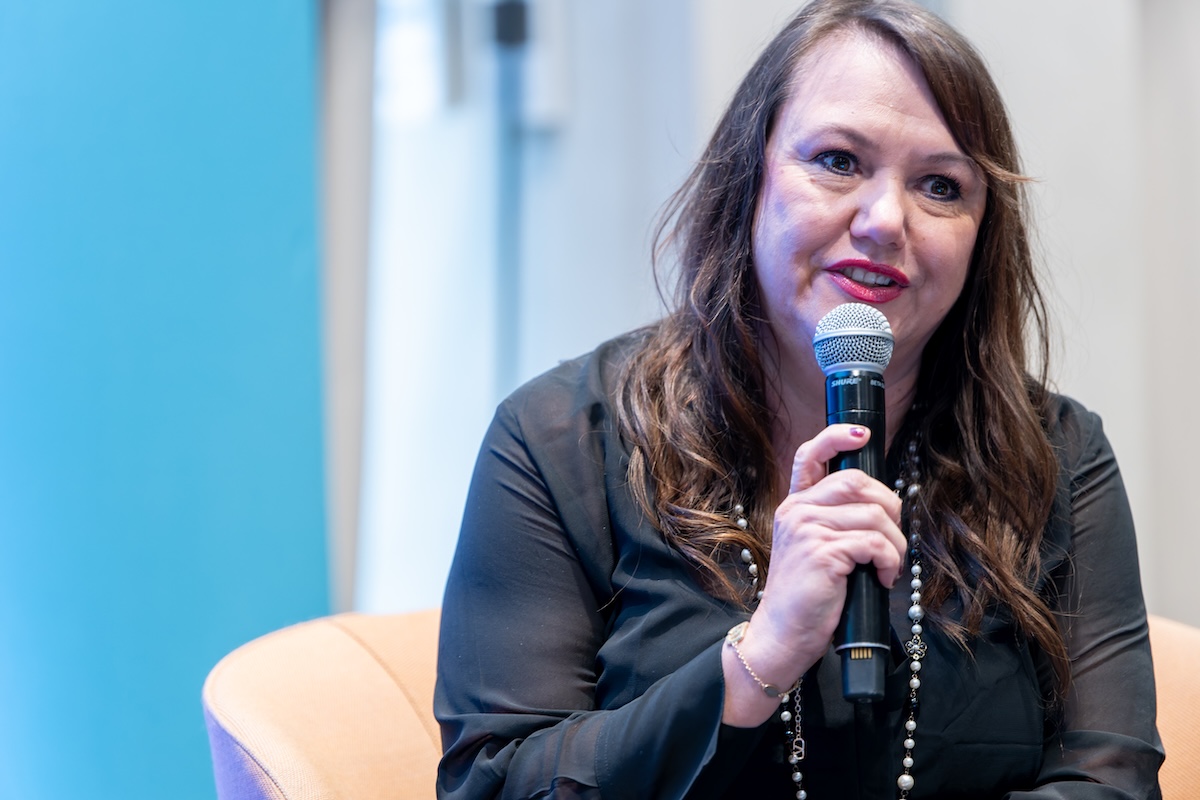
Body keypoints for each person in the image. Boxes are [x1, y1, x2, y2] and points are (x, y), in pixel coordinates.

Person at [434, 0, 1164, 797]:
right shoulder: (559, 440)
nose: (887, 220)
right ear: (749, 176)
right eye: (840, 161)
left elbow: (1110, 780)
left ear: (982, 236)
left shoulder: (1055, 456)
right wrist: (759, 659)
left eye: (940, 186)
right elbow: (496, 784)